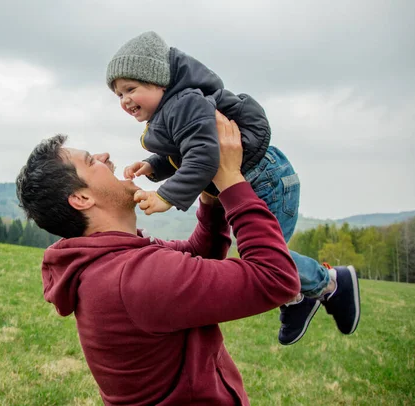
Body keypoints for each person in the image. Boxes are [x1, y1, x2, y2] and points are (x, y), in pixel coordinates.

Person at [16, 113, 300, 405]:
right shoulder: (131, 278)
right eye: (91, 161)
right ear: (82, 199)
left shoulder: (112, 262)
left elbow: (197, 255)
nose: (105, 156)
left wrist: (209, 194)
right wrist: (230, 182)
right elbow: (276, 278)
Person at [105, 31, 360, 345]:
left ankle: (332, 282)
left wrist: (166, 196)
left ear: (159, 81)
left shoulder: (185, 102)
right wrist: (154, 166)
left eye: (131, 89)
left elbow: (203, 153)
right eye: (118, 94)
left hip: (265, 178)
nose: (125, 100)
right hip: (256, 176)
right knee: (264, 257)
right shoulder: (173, 108)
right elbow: (188, 147)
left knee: (267, 261)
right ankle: (298, 297)